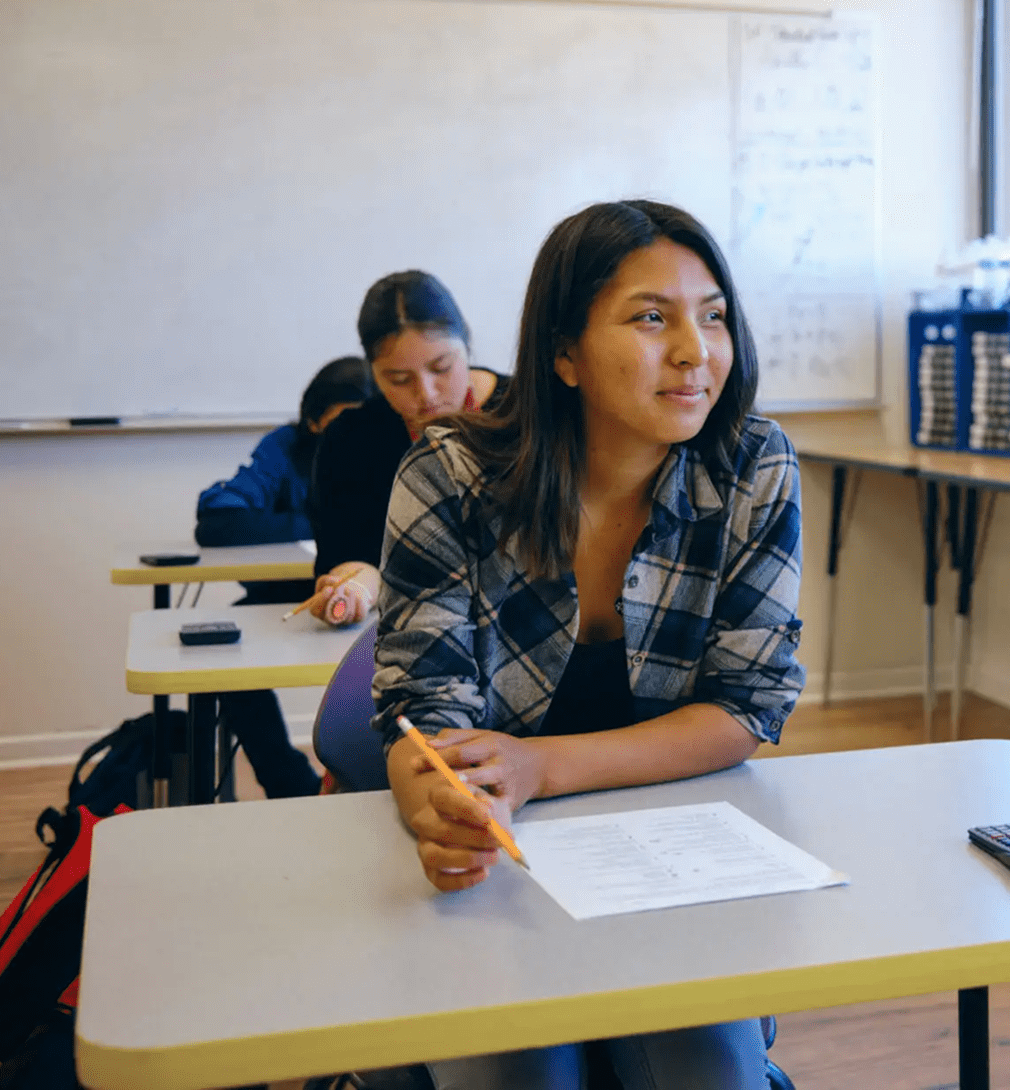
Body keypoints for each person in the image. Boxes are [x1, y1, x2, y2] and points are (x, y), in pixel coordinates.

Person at [373, 201, 803, 1090]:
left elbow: (747, 708)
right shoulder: (449, 477)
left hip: (672, 853)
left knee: (710, 1076)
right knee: (525, 1073)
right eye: (653, 317)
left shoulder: (753, 466)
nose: (695, 350)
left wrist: (540, 766)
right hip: (507, 868)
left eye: (713, 315)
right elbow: (427, 723)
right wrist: (442, 813)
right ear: (563, 352)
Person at [191, 355, 370, 799]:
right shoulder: (285, 448)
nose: (349, 439)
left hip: (373, 593)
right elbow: (218, 518)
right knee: (226, 653)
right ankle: (287, 784)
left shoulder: (382, 447)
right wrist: (319, 522)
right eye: (338, 425)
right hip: (294, 593)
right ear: (312, 421)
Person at [306, 271, 507, 626]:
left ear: (467, 346)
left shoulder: (528, 414)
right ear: (374, 373)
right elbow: (355, 554)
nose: (426, 393)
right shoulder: (351, 439)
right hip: (414, 632)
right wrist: (352, 590)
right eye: (399, 379)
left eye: (441, 367)